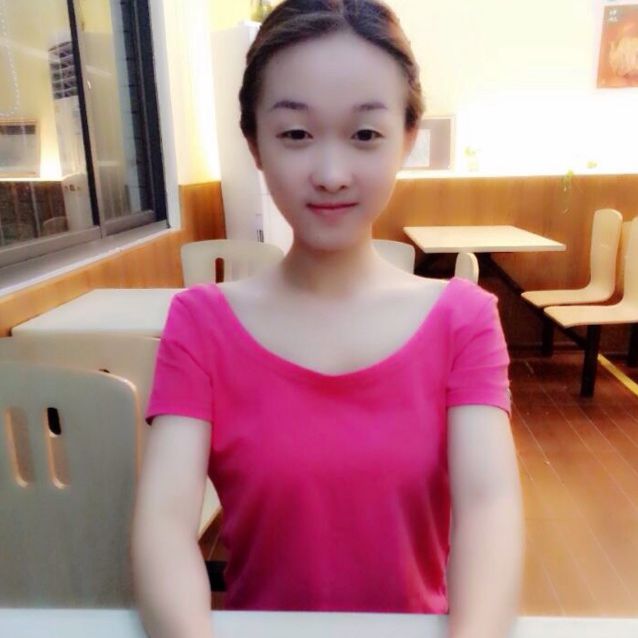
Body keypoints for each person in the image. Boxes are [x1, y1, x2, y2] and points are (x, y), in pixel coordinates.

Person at [131, 1, 524, 637]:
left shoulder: (464, 320)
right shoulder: (200, 323)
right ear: (255, 144)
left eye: (365, 135)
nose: (332, 174)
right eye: (295, 134)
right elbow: (164, 524)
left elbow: (490, 509)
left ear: (407, 139)